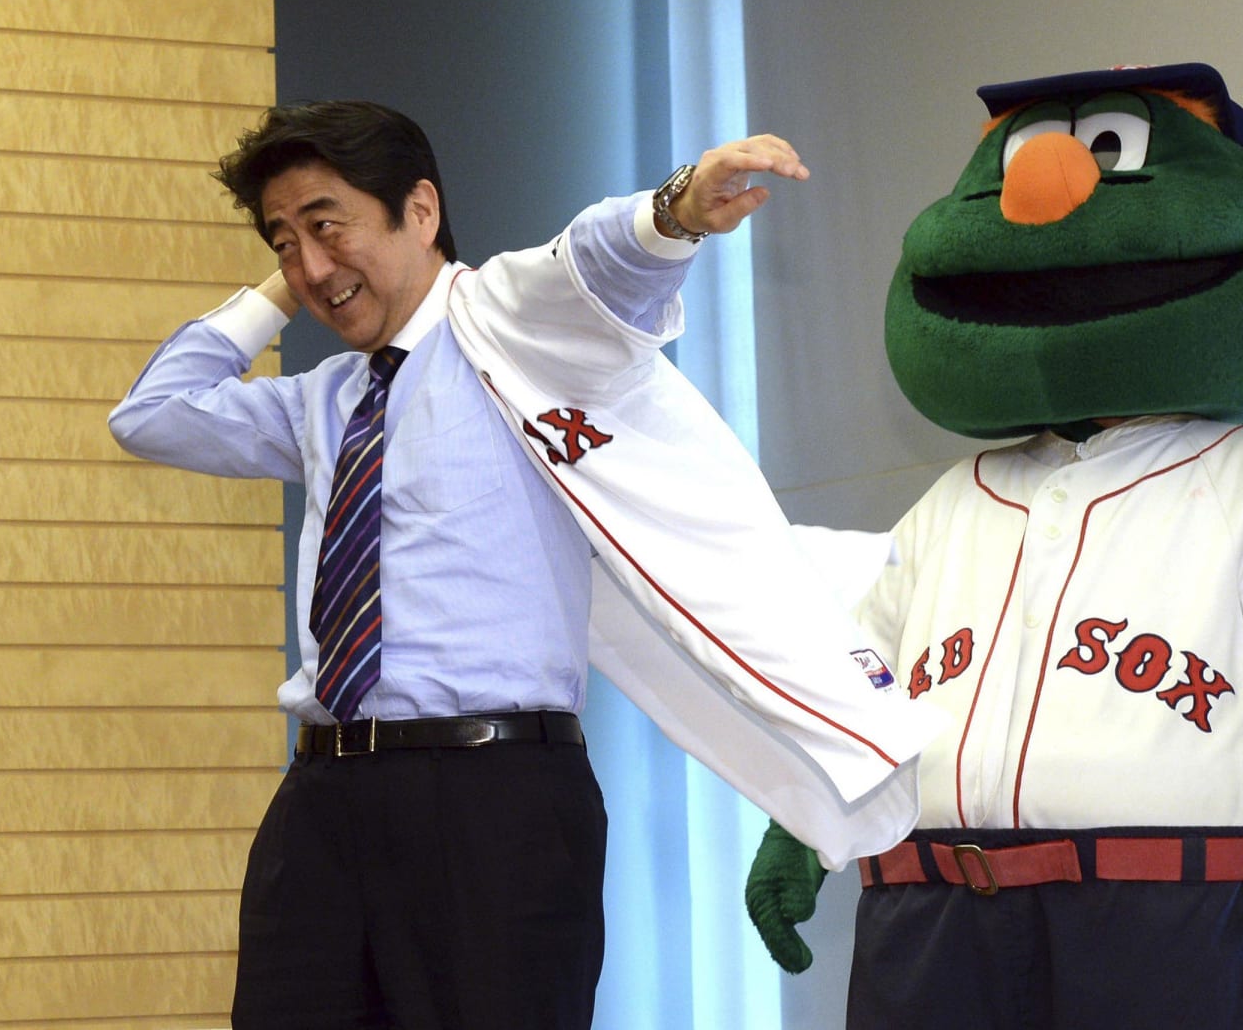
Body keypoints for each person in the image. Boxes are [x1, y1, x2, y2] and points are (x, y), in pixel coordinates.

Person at [110, 101, 936, 1029]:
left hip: (495, 799)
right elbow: (154, 411)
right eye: (284, 240)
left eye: (328, 225)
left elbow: (593, 262)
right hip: (322, 801)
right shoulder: (322, 399)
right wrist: (288, 276)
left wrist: (674, 209)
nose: (310, 267)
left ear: (420, 211)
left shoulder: (511, 322)